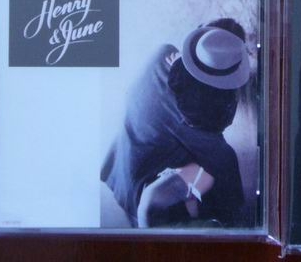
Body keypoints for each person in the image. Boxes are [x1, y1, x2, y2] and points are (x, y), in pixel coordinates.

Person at [101, 19, 250, 228]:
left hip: (118, 167)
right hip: (139, 194)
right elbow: (221, 158)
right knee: (222, 171)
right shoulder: (195, 114)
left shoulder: (162, 52)